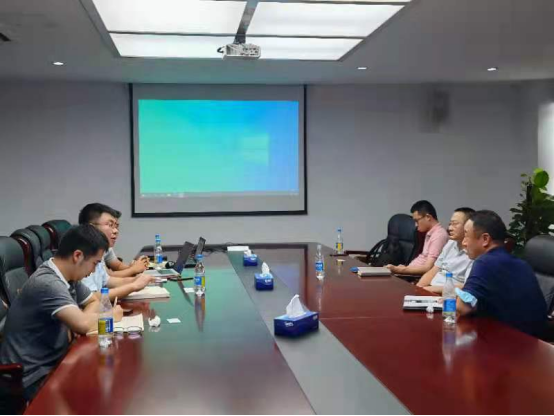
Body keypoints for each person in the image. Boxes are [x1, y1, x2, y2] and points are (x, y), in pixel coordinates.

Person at [0, 225, 124, 401]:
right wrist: (110, 316)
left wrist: (85, 319)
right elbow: (82, 325)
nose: (94, 271)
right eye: (95, 263)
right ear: (78, 256)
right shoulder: (48, 283)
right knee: (99, 393)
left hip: (54, 360)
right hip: (31, 376)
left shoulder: (68, 276)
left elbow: (93, 302)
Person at [456, 210, 547, 337]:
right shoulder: (521, 264)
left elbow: (463, 307)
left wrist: (452, 297)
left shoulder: (485, 262)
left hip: (508, 342)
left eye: (466, 235)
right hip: (533, 341)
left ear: (485, 239)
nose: (464, 243)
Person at [79, 203, 155, 301]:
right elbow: (92, 297)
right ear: (91, 228)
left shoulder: (97, 251)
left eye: (116, 226)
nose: (115, 231)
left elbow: (108, 281)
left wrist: (135, 280)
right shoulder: (83, 254)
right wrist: (133, 286)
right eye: (110, 225)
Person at [417, 208, 475, 294]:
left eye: (455, 224)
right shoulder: (450, 243)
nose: (450, 228)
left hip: (448, 295)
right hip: (430, 290)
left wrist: (429, 289)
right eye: (450, 224)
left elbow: (466, 286)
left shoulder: (474, 253)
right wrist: (418, 288)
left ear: (468, 227)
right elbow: (434, 270)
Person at [387, 200, 449, 276]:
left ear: (428, 217)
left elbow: (428, 268)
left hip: (416, 278)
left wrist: (400, 270)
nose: (416, 225)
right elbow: (423, 259)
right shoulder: (430, 233)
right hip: (409, 273)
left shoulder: (439, 235)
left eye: (417, 221)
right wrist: (405, 268)